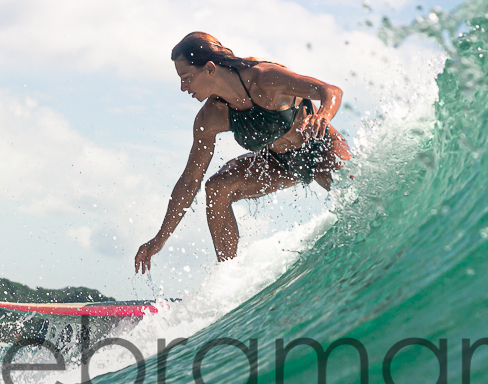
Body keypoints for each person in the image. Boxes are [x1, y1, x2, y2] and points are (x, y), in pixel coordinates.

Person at [134, 32, 351, 274]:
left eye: (186, 78)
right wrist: (160, 238)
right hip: (278, 164)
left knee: (357, 198)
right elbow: (190, 180)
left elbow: (330, 90)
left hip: (321, 147)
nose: (183, 87)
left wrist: (323, 116)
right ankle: (229, 275)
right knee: (217, 188)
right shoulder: (211, 117)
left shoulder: (264, 78)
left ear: (209, 69)